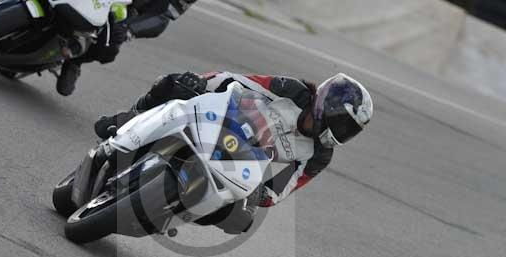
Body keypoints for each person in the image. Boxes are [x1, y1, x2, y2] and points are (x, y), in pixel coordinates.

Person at [93, 71, 373, 234]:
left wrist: (261, 195)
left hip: (242, 164)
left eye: (351, 129)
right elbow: (236, 80)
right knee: (174, 83)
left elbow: (284, 187)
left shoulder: (320, 154)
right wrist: (202, 83)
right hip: (220, 122)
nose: (342, 131)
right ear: (328, 104)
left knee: (238, 220)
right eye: (343, 122)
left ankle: (168, 212)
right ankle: (127, 119)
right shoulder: (293, 92)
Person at [57, 0, 197, 96]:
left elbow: (162, 16)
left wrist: (128, 29)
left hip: (123, 9)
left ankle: (75, 60)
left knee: (108, 47)